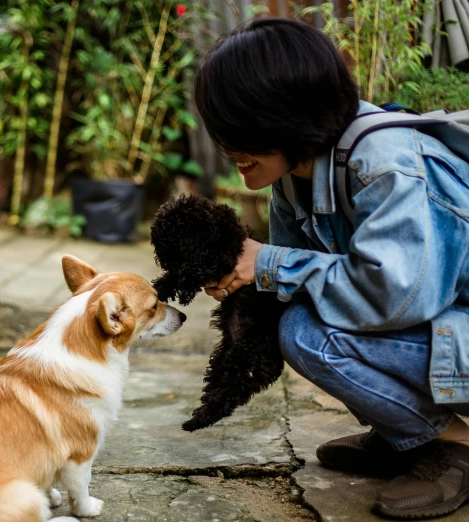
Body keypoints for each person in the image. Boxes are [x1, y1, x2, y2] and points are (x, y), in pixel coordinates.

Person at [195, 17, 469, 519]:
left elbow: (396, 295)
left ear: (286, 114)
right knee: (294, 319)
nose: (229, 147)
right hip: (449, 334)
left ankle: (451, 444)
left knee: (307, 334)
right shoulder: (294, 177)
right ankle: (405, 433)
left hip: (451, 331)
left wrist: (272, 263)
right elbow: (295, 285)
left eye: (240, 128)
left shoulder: (384, 163)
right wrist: (239, 279)